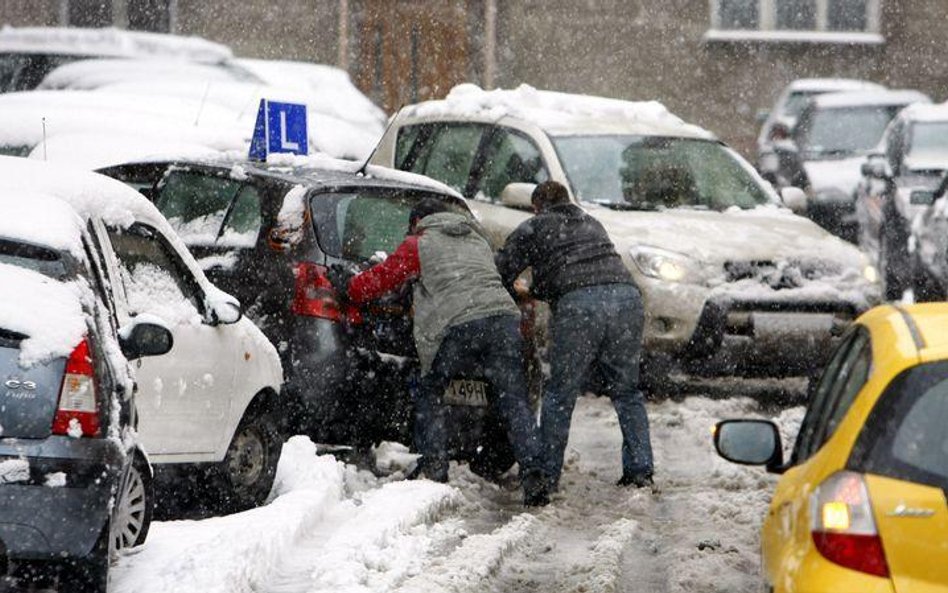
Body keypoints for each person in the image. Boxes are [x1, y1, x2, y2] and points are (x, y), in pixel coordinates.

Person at [330, 198, 550, 506]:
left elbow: (380, 280)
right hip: (502, 320)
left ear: (418, 222)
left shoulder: (419, 243)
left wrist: (348, 286)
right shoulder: (477, 240)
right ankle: (535, 471)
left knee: (430, 390)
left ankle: (434, 466)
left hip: (457, 322)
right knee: (513, 399)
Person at [495, 181, 654, 490]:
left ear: (537, 207)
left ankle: (546, 475)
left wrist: (519, 293)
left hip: (580, 303)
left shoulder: (534, 226)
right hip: (626, 298)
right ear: (567, 201)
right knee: (626, 391)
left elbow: (502, 270)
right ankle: (640, 470)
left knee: (560, 393)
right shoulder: (591, 222)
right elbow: (577, 262)